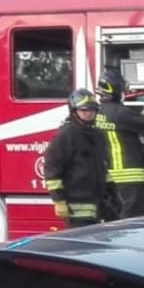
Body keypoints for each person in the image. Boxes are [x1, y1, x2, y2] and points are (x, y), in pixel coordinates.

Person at [96, 70, 144, 220]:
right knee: (131, 221)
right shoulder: (120, 113)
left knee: (115, 220)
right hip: (129, 177)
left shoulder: (96, 113)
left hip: (109, 177)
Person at [43, 89, 108, 228]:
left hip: (99, 207)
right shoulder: (66, 136)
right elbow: (52, 170)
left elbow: (103, 169)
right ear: (74, 111)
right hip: (76, 210)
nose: (89, 113)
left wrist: (114, 198)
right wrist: (59, 200)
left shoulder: (98, 135)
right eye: (84, 110)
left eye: (92, 110)